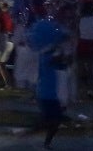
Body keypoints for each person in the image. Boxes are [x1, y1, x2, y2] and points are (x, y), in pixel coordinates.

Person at [31, 14, 71, 149]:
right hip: (48, 94)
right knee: (52, 120)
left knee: (54, 120)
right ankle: (30, 134)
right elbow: (62, 62)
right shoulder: (48, 54)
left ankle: (45, 142)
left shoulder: (47, 51)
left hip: (49, 93)